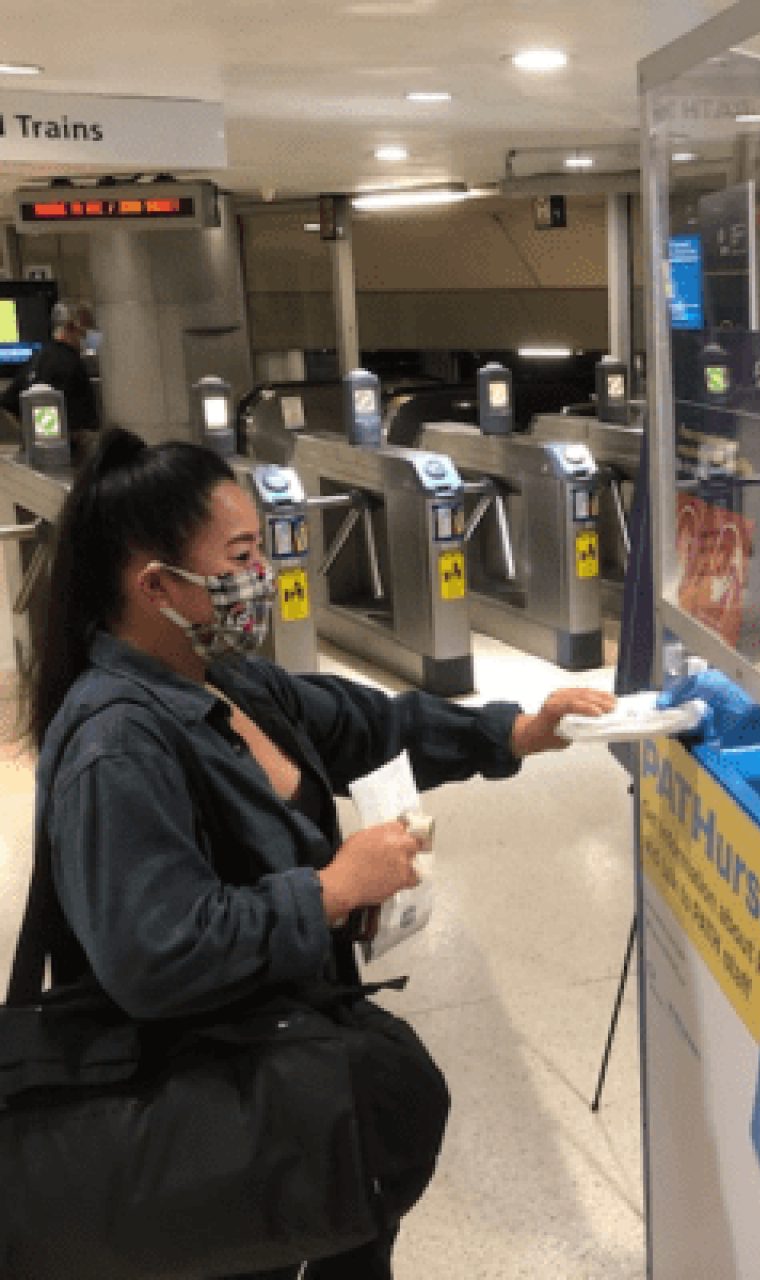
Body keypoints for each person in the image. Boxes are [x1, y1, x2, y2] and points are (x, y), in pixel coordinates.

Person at [18, 426, 615, 1279]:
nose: (263, 577)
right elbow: (152, 952)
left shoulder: (224, 680)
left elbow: (369, 724)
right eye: (241, 556)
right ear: (158, 587)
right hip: (216, 1117)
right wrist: (329, 891)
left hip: (284, 1078)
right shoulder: (119, 745)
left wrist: (516, 730)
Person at [0, 299, 100, 444]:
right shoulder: (70, 362)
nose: (90, 337)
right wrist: (66, 439)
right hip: (70, 454)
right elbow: (81, 424)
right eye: (86, 329)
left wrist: (30, 435)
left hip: (40, 452)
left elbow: (8, 403)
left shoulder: (38, 357)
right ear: (71, 327)